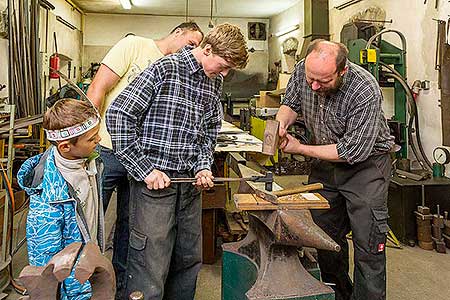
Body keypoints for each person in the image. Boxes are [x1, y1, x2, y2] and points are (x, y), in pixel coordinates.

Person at [106, 23, 248, 299]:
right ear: (206, 49)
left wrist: (204, 165)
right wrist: (144, 168)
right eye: (223, 65)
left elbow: (208, 130)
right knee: (150, 261)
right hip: (154, 186)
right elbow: (119, 115)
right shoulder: (164, 69)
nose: (225, 74)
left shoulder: (213, 81)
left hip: (189, 187)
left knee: (187, 259)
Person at [86, 21, 203, 298]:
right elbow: (98, 89)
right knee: (89, 220)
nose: (192, 51)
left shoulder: (177, 70)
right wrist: (88, 140)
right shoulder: (134, 45)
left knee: (132, 230)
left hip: (142, 160)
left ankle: (122, 290)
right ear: (178, 32)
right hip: (108, 150)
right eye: (191, 44)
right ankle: (78, 285)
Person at [276, 39, 395, 300]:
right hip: (324, 163)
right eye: (311, 79)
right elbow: (291, 103)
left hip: (365, 167)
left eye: (323, 81)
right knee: (325, 238)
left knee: (369, 243)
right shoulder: (302, 70)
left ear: (342, 71)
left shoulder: (364, 89)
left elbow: (353, 151)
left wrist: (300, 148)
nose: (315, 86)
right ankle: (338, 295)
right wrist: (281, 124)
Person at [17, 99, 104, 299]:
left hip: (87, 265)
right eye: (91, 138)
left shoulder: (90, 162)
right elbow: (44, 266)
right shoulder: (47, 201)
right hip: (72, 285)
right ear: (65, 146)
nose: (98, 139)